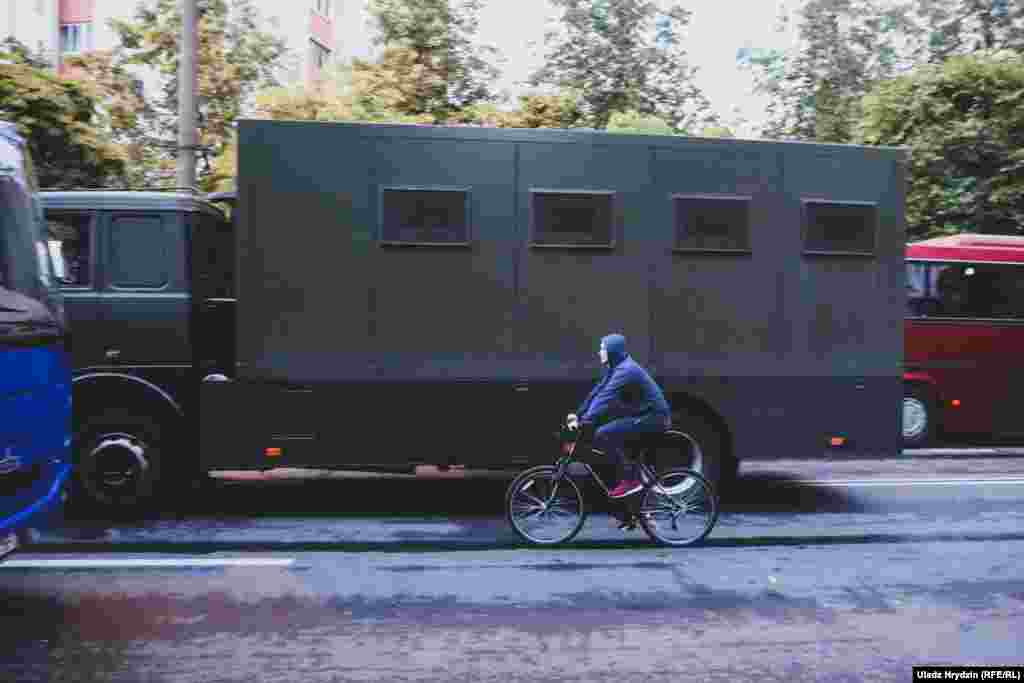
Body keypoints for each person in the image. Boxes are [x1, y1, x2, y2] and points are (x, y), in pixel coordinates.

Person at [567, 333, 672, 499]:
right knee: (612, 433)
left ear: (612, 351)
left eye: (602, 349)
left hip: (655, 418)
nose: (599, 352)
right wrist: (578, 414)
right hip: (644, 416)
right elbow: (598, 391)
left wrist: (585, 421)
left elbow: (605, 397)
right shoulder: (616, 368)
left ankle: (631, 479)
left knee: (604, 433)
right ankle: (633, 481)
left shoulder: (626, 370)